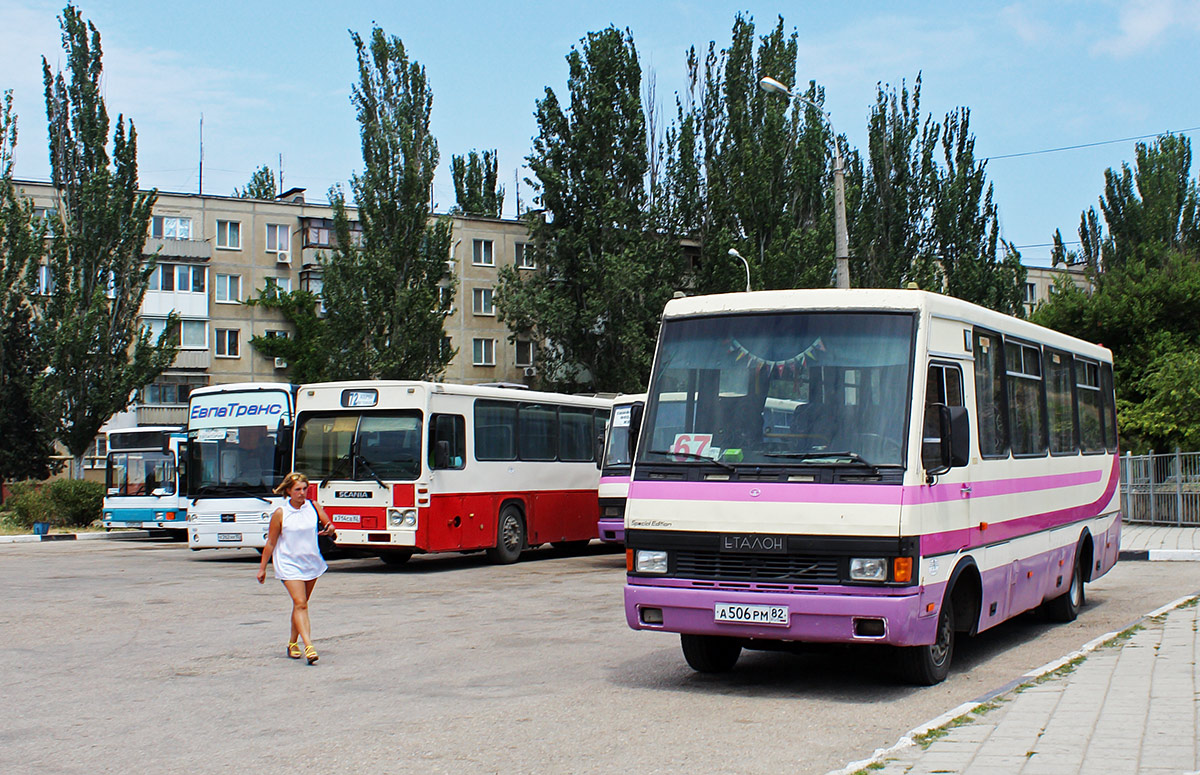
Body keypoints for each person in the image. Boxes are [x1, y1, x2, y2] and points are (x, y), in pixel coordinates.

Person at [256, 472, 336, 664]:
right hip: (288, 563)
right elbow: (271, 543)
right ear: (288, 492)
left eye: (304, 489)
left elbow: (329, 525)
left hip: (310, 561)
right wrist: (262, 568)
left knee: (301, 605)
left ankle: (293, 642)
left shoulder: (313, 507)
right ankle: (309, 646)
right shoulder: (281, 514)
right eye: (297, 490)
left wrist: (331, 529)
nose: (302, 493)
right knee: (300, 602)